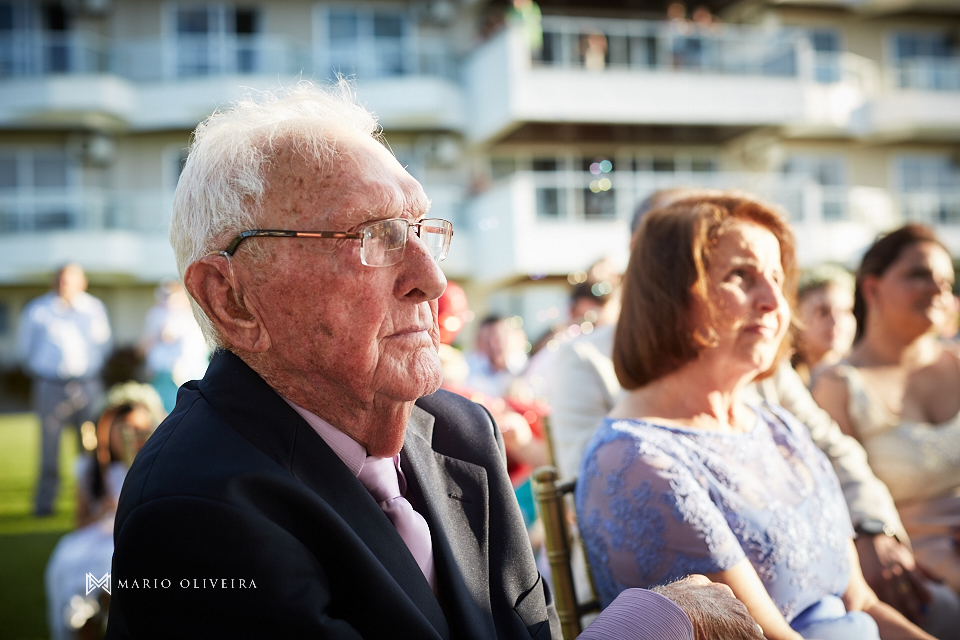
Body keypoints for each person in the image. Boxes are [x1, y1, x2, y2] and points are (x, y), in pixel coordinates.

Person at [105, 82, 763, 640]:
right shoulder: (193, 510)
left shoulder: (457, 433)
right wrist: (654, 622)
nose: (432, 280)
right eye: (369, 236)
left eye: (419, 229)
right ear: (232, 298)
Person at [548, 189, 941, 627]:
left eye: (777, 277)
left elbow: (862, 603)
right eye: (741, 276)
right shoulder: (634, 454)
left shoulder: (775, 423)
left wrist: (874, 526)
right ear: (666, 289)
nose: (775, 302)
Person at [813, 224, 960, 603]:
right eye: (919, 274)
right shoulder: (838, 385)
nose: (938, 290)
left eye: (946, 281)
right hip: (907, 565)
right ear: (872, 288)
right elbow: (838, 493)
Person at [45, 381, 164, 640]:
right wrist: (105, 510)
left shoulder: (153, 467)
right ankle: (85, 620)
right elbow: (80, 521)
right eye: (122, 429)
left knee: (117, 574)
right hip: (95, 538)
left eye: (138, 429)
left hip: (129, 538)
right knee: (74, 568)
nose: (130, 436)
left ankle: (107, 614)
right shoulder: (93, 470)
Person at [17, 263, 112, 516]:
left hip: (88, 385)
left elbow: (104, 346)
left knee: (92, 448)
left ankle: (93, 503)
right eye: (60, 279)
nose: (64, 284)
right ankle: (45, 506)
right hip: (50, 386)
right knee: (49, 448)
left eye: (70, 280)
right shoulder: (38, 310)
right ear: (53, 281)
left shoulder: (93, 309)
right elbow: (24, 350)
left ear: (82, 282)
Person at [138, 280, 210, 412]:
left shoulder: (193, 318)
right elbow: (143, 349)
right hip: (159, 377)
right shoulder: (155, 315)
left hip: (184, 379)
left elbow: (194, 351)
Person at [792, 264, 857, 387]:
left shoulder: (866, 378)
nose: (836, 321)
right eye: (823, 312)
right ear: (797, 316)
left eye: (845, 311)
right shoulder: (782, 381)